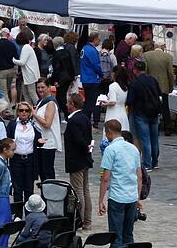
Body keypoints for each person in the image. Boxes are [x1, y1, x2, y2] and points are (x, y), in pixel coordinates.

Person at [98, 119, 143, 248]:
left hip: (117, 197)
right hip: (131, 197)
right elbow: (139, 176)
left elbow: (105, 178)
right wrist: (138, 197)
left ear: (110, 132)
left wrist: (101, 200)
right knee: (129, 234)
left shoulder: (110, 149)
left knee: (116, 236)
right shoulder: (133, 149)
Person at [64, 92, 94, 230]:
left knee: (78, 191)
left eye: (68, 103)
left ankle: (80, 220)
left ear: (72, 105)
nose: (66, 105)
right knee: (85, 190)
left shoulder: (73, 121)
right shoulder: (85, 117)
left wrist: (85, 148)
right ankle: (87, 220)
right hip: (85, 159)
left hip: (77, 160)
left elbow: (79, 140)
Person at [127, 61, 161, 171]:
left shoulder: (134, 82)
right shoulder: (153, 80)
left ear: (135, 69)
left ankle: (147, 163)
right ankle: (155, 161)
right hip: (154, 111)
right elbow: (159, 93)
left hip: (141, 112)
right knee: (154, 138)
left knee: (145, 139)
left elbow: (130, 100)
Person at [6, 101, 42, 204]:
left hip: (30, 160)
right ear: (17, 112)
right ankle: (17, 214)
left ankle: (28, 213)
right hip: (16, 159)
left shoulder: (33, 124)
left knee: (29, 189)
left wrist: (39, 142)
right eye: (21, 110)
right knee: (17, 189)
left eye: (27, 111)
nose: (24, 113)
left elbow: (38, 139)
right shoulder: (13, 125)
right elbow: (7, 140)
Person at [143, 42, 175, 136]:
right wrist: (171, 86)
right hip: (163, 85)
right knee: (165, 107)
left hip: (150, 85)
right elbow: (170, 73)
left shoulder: (147, 55)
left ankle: (152, 127)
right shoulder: (168, 57)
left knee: (150, 106)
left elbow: (145, 71)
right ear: (162, 47)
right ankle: (167, 128)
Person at [33, 78, 62, 181]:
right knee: (42, 171)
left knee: (47, 172)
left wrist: (34, 115)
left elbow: (47, 123)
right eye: (38, 87)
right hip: (41, 141)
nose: (40, 90)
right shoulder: (40, 101)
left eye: (43, 87)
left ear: (49, 88)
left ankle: (51, 195)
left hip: (48, 142)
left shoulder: (50, 103)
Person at [81, 32, 103, 127]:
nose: (99, 41)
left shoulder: (84, 48)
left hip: (85, 78)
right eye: (98, 39)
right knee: (94, 101)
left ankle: (86, 118)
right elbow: (96, 65)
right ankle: (95, 120)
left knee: (88, 100)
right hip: (92, 78)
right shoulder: (92, 50)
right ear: (94, 40)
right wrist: (101, 74)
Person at [50, 36, 77, 115]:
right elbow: (71, 65)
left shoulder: (56, 54)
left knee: (60, 97)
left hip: (61, 78)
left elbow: (56, 68)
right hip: (68, 77)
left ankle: (66, 113)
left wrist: (55, 80)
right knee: (63, 95)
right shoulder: (67, 52)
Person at [0, 28, 18, 103]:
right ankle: (5, 109)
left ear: (1, 34)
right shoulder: (12, 44)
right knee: (7, 89)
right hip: (10, 70)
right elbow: (16, 57)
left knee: (3, 92)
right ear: (8, 35)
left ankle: (8, 110)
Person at [13, 30, 40, 105]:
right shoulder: (28, 47)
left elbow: (22, 62)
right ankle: (30, 108)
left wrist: (13, 60)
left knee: (31, 93)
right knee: (26, 93)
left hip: (29, 74)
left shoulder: (26, 48)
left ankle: (39, 107)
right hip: (29, 74)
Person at [102, 66, 130, 132]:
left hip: (113, 113)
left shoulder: (113, 86)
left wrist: (104, 104)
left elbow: (113, 101)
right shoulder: (125, 86)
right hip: (123, 113)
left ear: (114, 74)